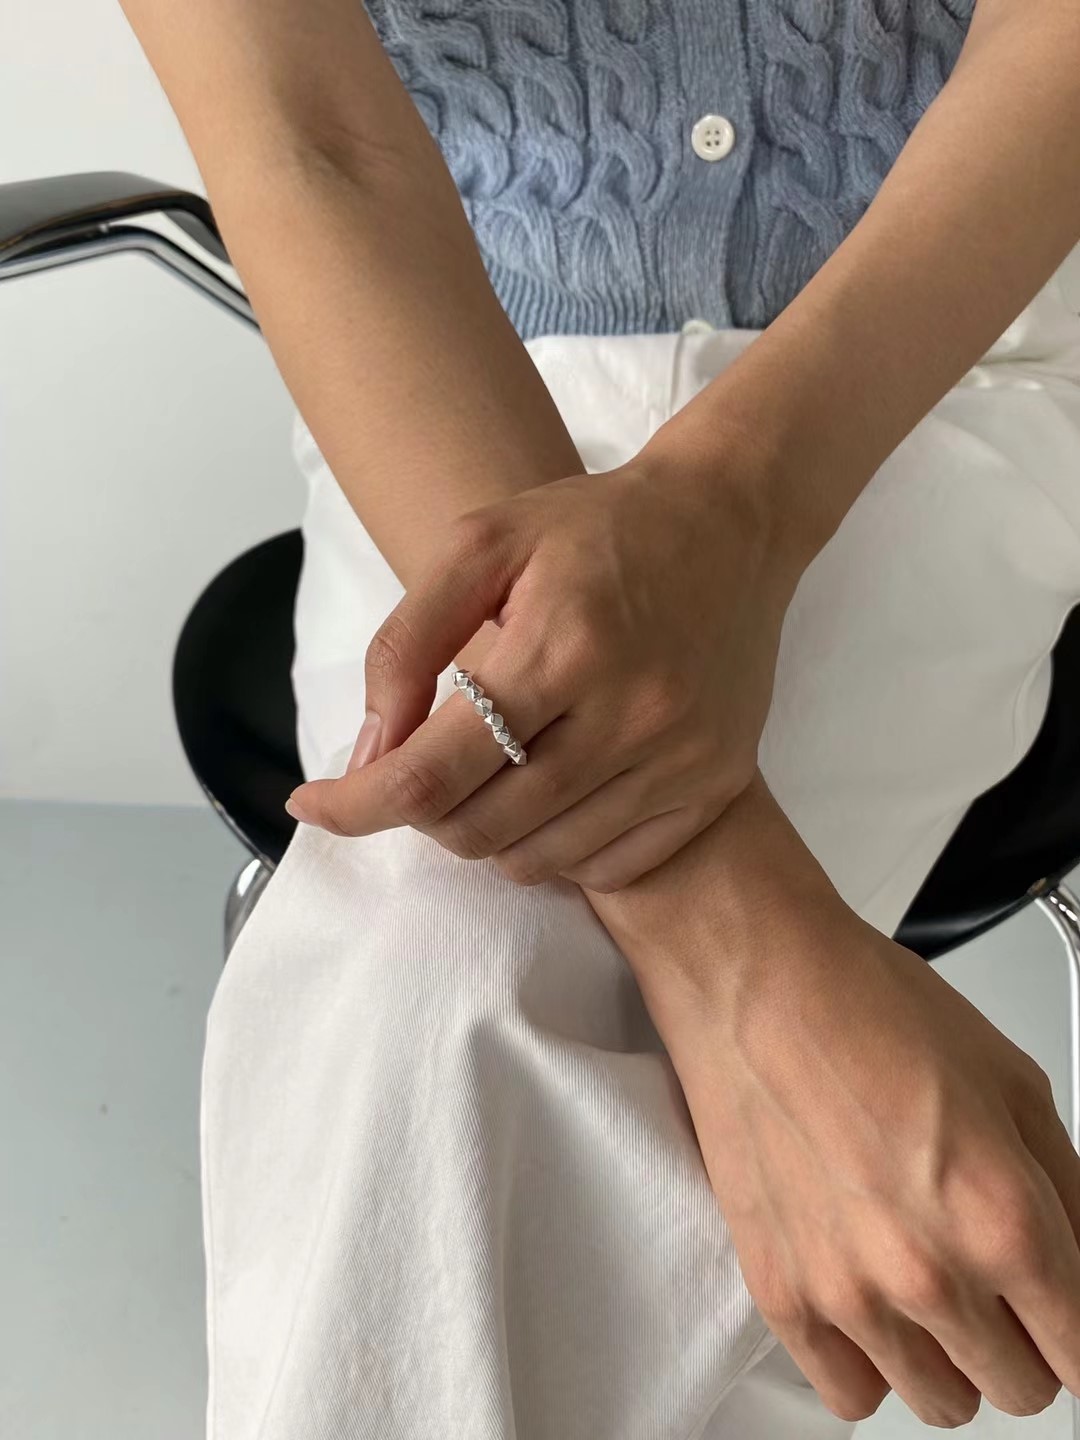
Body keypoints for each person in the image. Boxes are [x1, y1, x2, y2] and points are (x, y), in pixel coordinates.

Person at [118, 0, 1080, 1435]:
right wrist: (747, 952)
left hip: (929, 353)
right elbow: (310, 138)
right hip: (445, 394)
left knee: (453, 1002)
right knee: (435, 956)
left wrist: (730, 513)